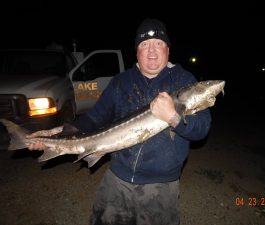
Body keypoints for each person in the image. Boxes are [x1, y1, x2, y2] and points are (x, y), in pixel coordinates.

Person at [28, 18, 212, 225]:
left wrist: (173, 117)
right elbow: (94, 118)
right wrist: (57, 133)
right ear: (136, 52)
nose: (152, 51)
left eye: (158, 44)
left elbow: (202, 129)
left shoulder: (184, 82)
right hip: (117, 180)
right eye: (145, 45)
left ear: (168, 50)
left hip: (160, 186)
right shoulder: (121, 82)